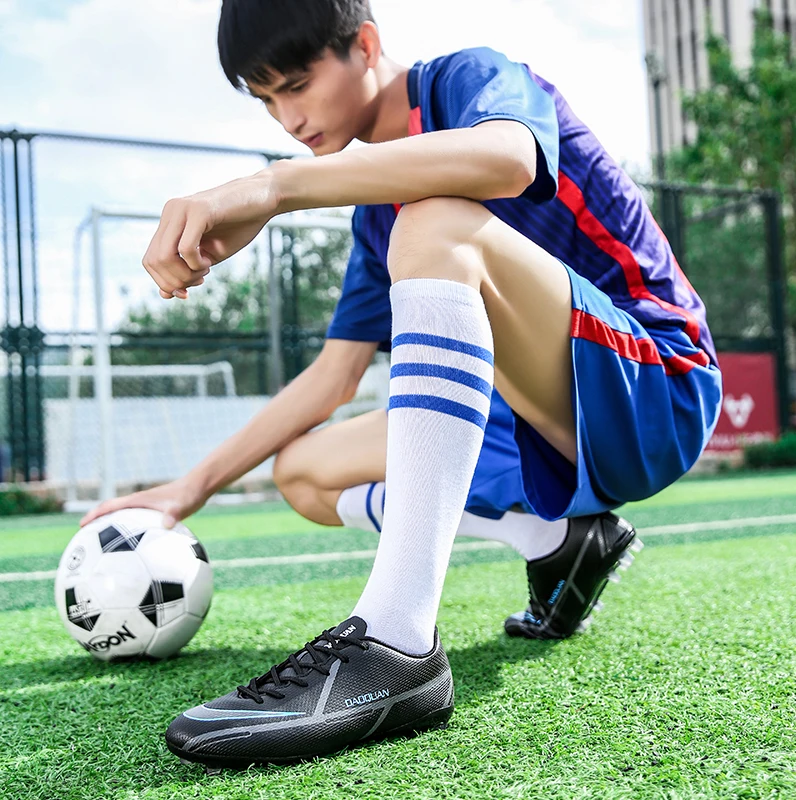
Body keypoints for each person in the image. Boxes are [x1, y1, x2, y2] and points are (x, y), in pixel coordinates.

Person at [81, 0, 722, 768]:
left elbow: (509, 160)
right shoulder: (375, 205)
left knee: (436, 220)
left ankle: (396, 640)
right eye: (266, 100)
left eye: (296, 83)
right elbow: (332, 377)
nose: (288, 116)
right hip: (541, 422)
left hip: (655, 388)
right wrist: (188, 488)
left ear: (366, 45)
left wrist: (276, 188)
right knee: (306, 471)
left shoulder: (468, 79)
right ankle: (555, 538)